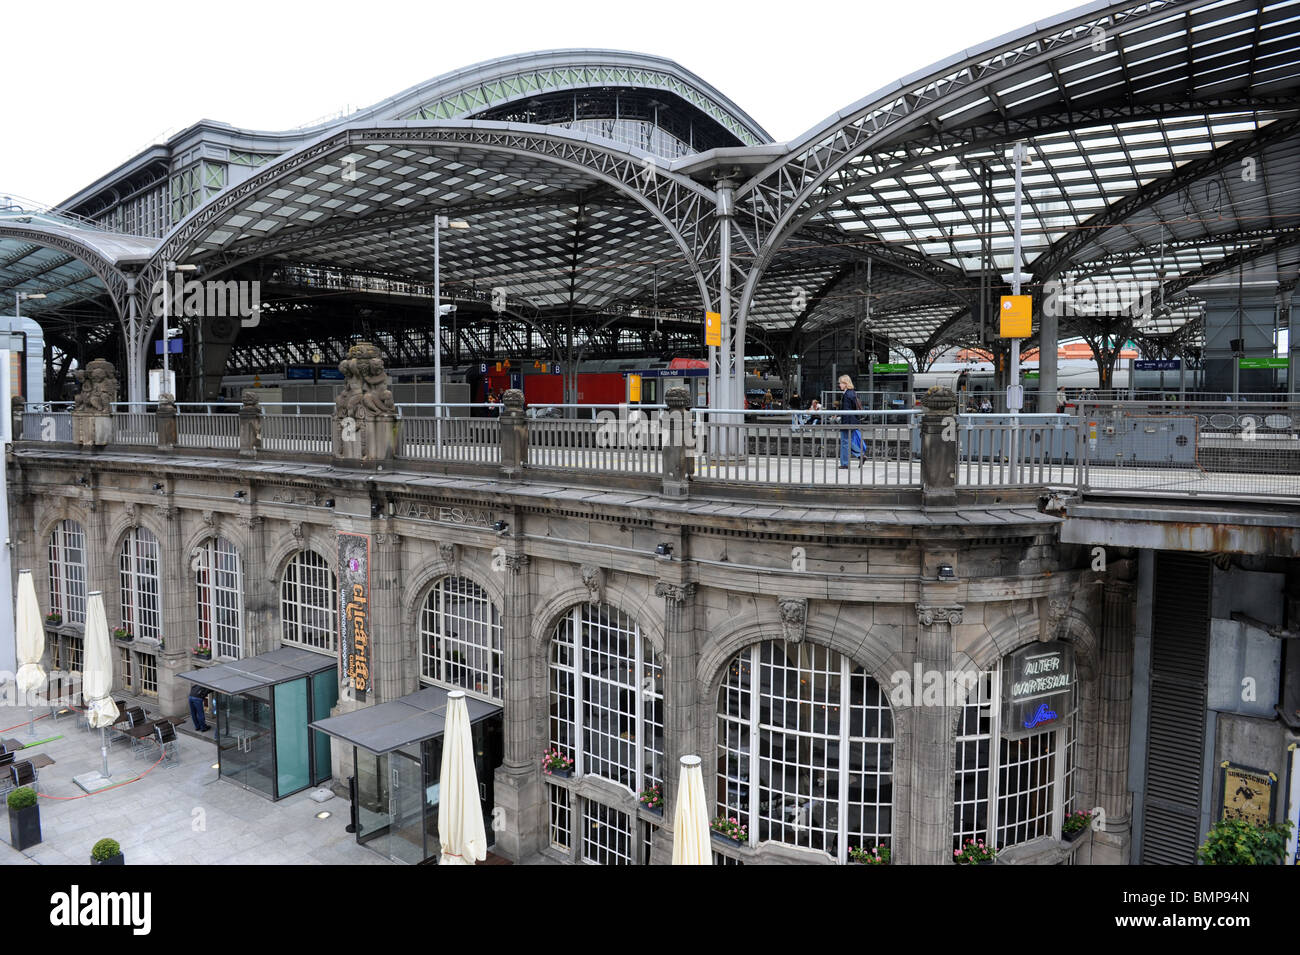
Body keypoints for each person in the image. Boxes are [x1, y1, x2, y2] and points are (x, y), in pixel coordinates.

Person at [836, 375, 865, 468]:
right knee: (847, 441)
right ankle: (860, 455)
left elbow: (846, 411)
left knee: (845, 442)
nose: (839, 385)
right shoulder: (852, 393)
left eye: (840, 383)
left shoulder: (847, 395)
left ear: (845, 383)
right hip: (853, 421)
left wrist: (844, 424)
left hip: (848, 421)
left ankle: (845, 463)